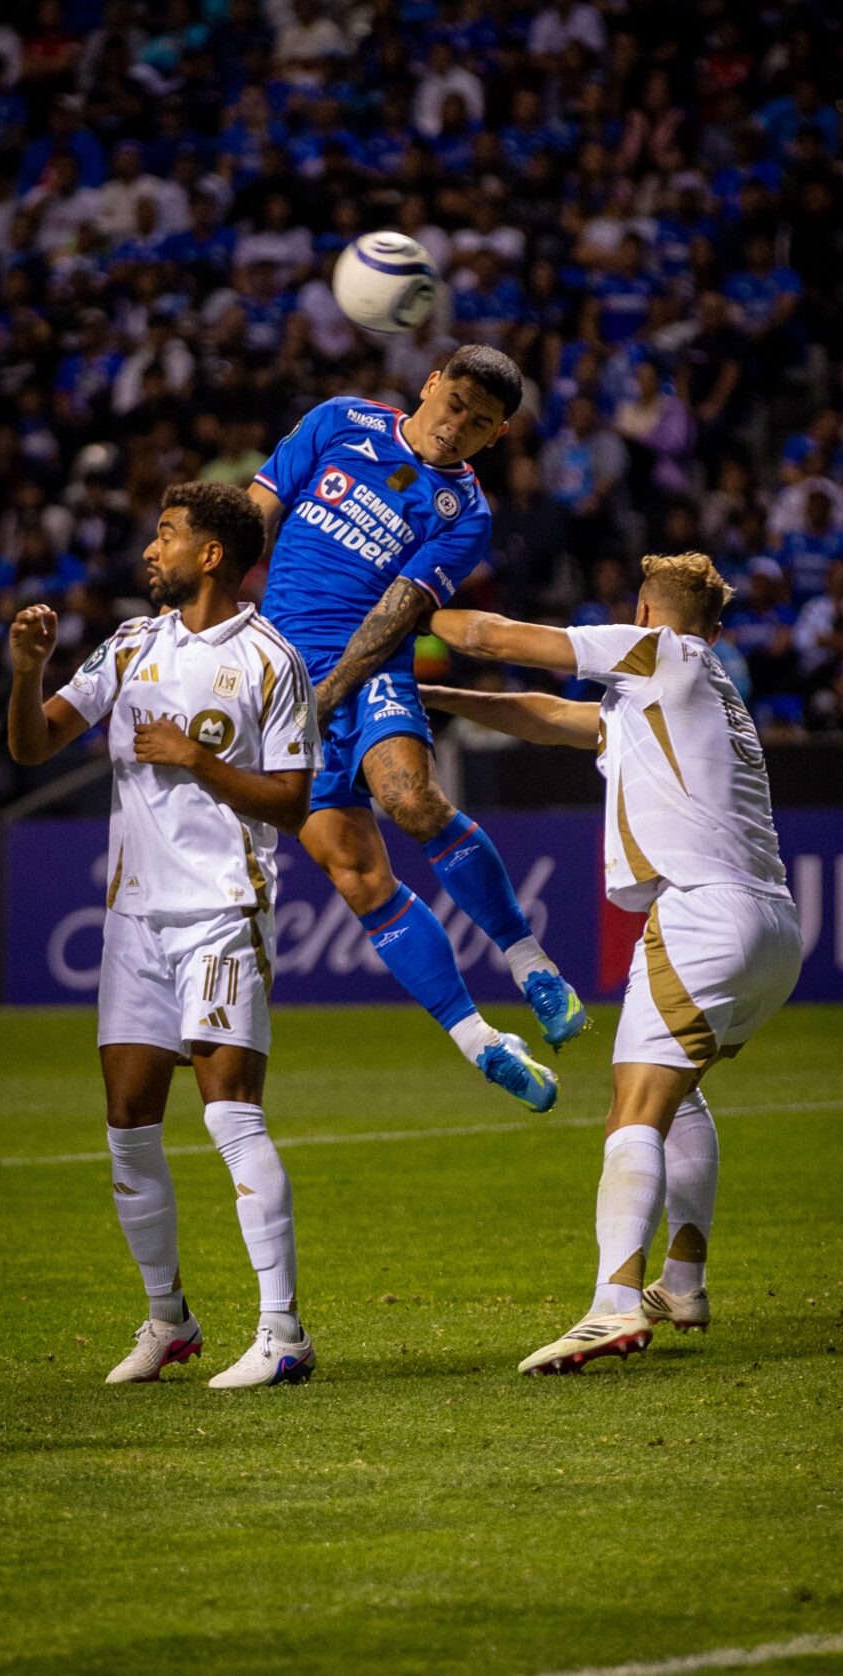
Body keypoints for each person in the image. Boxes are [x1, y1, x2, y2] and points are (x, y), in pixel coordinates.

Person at [421, 552, 802, 1373]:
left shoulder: (655, 652)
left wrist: (405, 614)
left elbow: (491, 636)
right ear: (718, 631)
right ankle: (682, 1283)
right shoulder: (694, 690)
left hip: (703, 915)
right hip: (774, 929)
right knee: (678, 1092)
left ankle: (613, 1304)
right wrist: (427, 698)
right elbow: (542, 715)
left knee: (633, 1108)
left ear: (643, 612)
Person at [7, 482, 323, 1390]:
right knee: (128, 1125)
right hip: (134, 918)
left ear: (212, 555)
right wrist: (28, 672)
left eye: (168, 534)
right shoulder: (131, 644)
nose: (152, 550)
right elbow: (34, 745)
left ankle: (284, 1333)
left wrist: (198, 759)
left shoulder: (272, 661)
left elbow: (292, 804)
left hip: (222, 909)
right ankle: (169, 1319)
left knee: (230, 1114)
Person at [247, 345, 586, 1114]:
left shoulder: (466, 514)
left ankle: (532, 966)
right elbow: (256, 514)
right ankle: (481, 1042)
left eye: (481, 423)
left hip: (367, 667)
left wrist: (327, 695)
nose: (458, 425)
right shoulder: (340, 421)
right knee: (356, 875)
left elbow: (398, 610)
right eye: (456, 402)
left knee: (408, 797)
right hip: (280, 675)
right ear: (431, 385)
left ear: (497, 436)